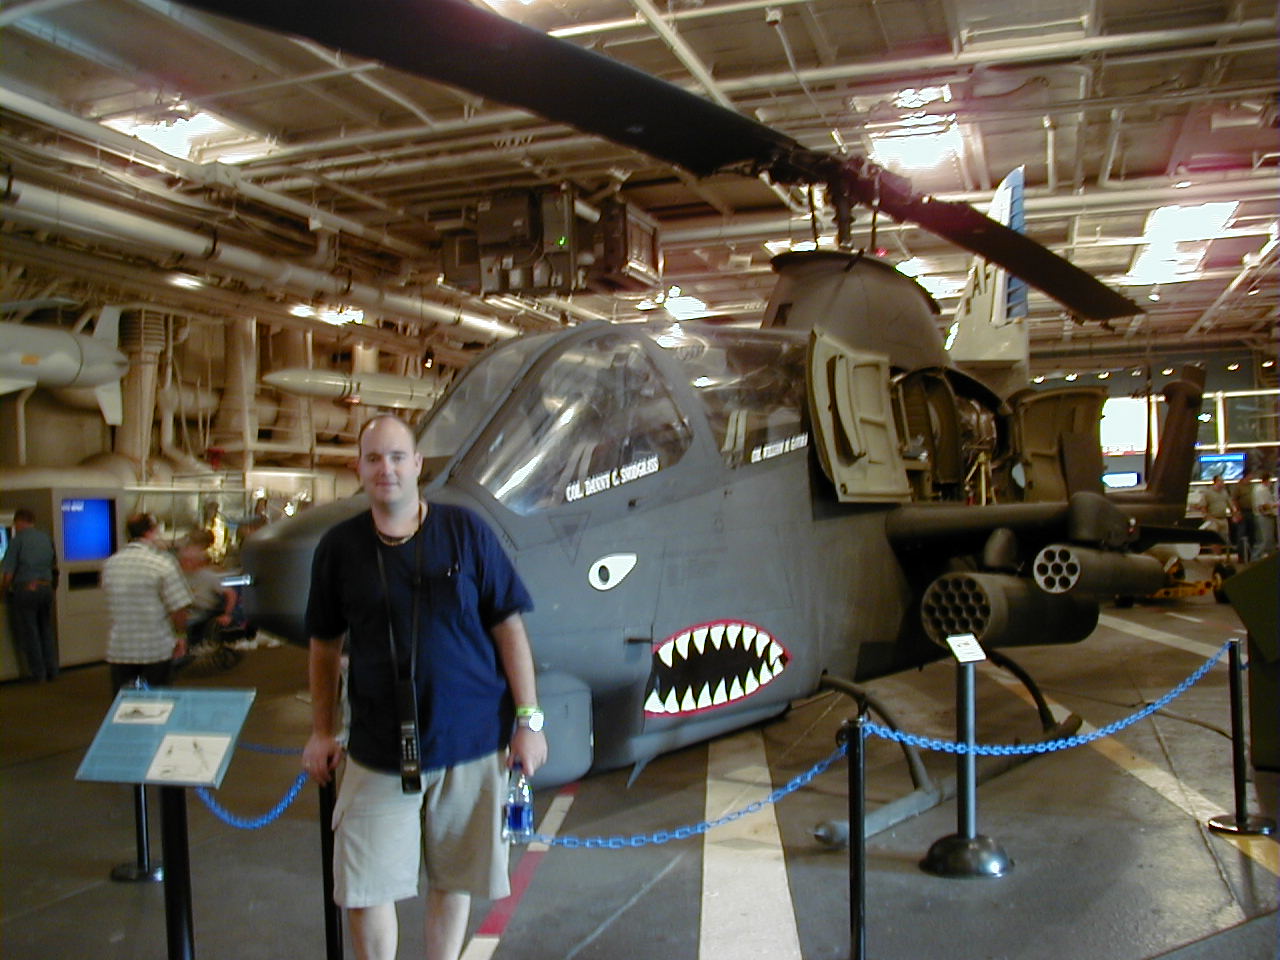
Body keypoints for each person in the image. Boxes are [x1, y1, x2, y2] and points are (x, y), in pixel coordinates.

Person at [302, 414, 547, 960]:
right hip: (376, 748)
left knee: (454, 879)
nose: (385, 469)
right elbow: (323, 644)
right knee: (365, 890)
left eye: (397, 457)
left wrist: (528, 721)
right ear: (358, 468)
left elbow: (508, 626)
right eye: (373, 458)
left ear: (417, 465)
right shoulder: (340, 548)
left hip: (470, 743)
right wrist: (322, 730)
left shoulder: (466, 532)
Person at [102, 513, 193, 692]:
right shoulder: (162, 564)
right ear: (151, 532)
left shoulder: (110, 564)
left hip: (120, 648)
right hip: (155, 648)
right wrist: (181, 636)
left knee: (125, 702)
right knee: (157, 701)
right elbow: (179, 607)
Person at [0, 508, 59, 681]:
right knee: (46, 630)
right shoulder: (45, 538)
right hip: (46, 588)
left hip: (26, 590)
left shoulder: (17, 541)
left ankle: (38, 673)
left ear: (18, 522)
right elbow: (54, 567)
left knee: (31, 632)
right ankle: (52, 669)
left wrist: (2, 592)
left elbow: (8, 574)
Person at [177, 530, 236, 649]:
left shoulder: (208, 576)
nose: (186, 563)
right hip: (184, 610)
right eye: (184, 560)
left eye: (189, 561)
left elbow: (231, 593)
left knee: (184, 624)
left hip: (202, 612)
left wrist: (227, 614)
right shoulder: (178, 576)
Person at [1199, 474, 1234, 549]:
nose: (1222, 483)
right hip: (1213, 519)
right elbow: (1203, 506)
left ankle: (1221, 554)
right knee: (1214, 539)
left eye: (1223, 481)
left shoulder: (1224, 492)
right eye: (1220, 481)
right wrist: (1207, 517)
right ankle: (1216, 554)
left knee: (1223, 539)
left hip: (1223, 518)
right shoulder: (1208, 492)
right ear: (1215, 482)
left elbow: (1230, 504)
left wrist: (1234, 513)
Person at [1250, 469, 1276, 557]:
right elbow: (1262, 506)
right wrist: (1275, 505)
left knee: (1270, 540)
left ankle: (1271, 558)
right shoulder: (1260, 490)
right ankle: (1255, 557)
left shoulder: (1264, 489)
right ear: (1267, 480)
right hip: (1263, 517)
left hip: (1267, 516)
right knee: (1264, 540)